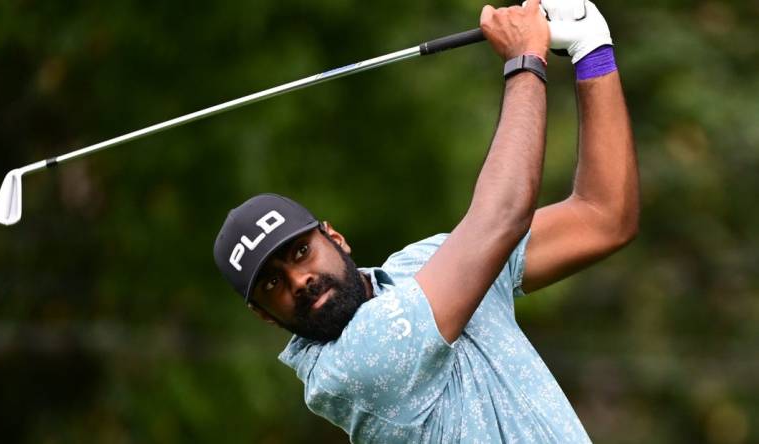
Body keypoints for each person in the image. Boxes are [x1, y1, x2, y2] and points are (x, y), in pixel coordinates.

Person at [213, 0, 639, 442]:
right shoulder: (347, 371)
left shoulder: (424, 265)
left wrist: (592, 49)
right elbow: (502, 217)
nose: (299, 281)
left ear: (334, 236)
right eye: (272, 284)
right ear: (265, 316)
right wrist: (524, 60)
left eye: (300, 252)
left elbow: (603, 217)